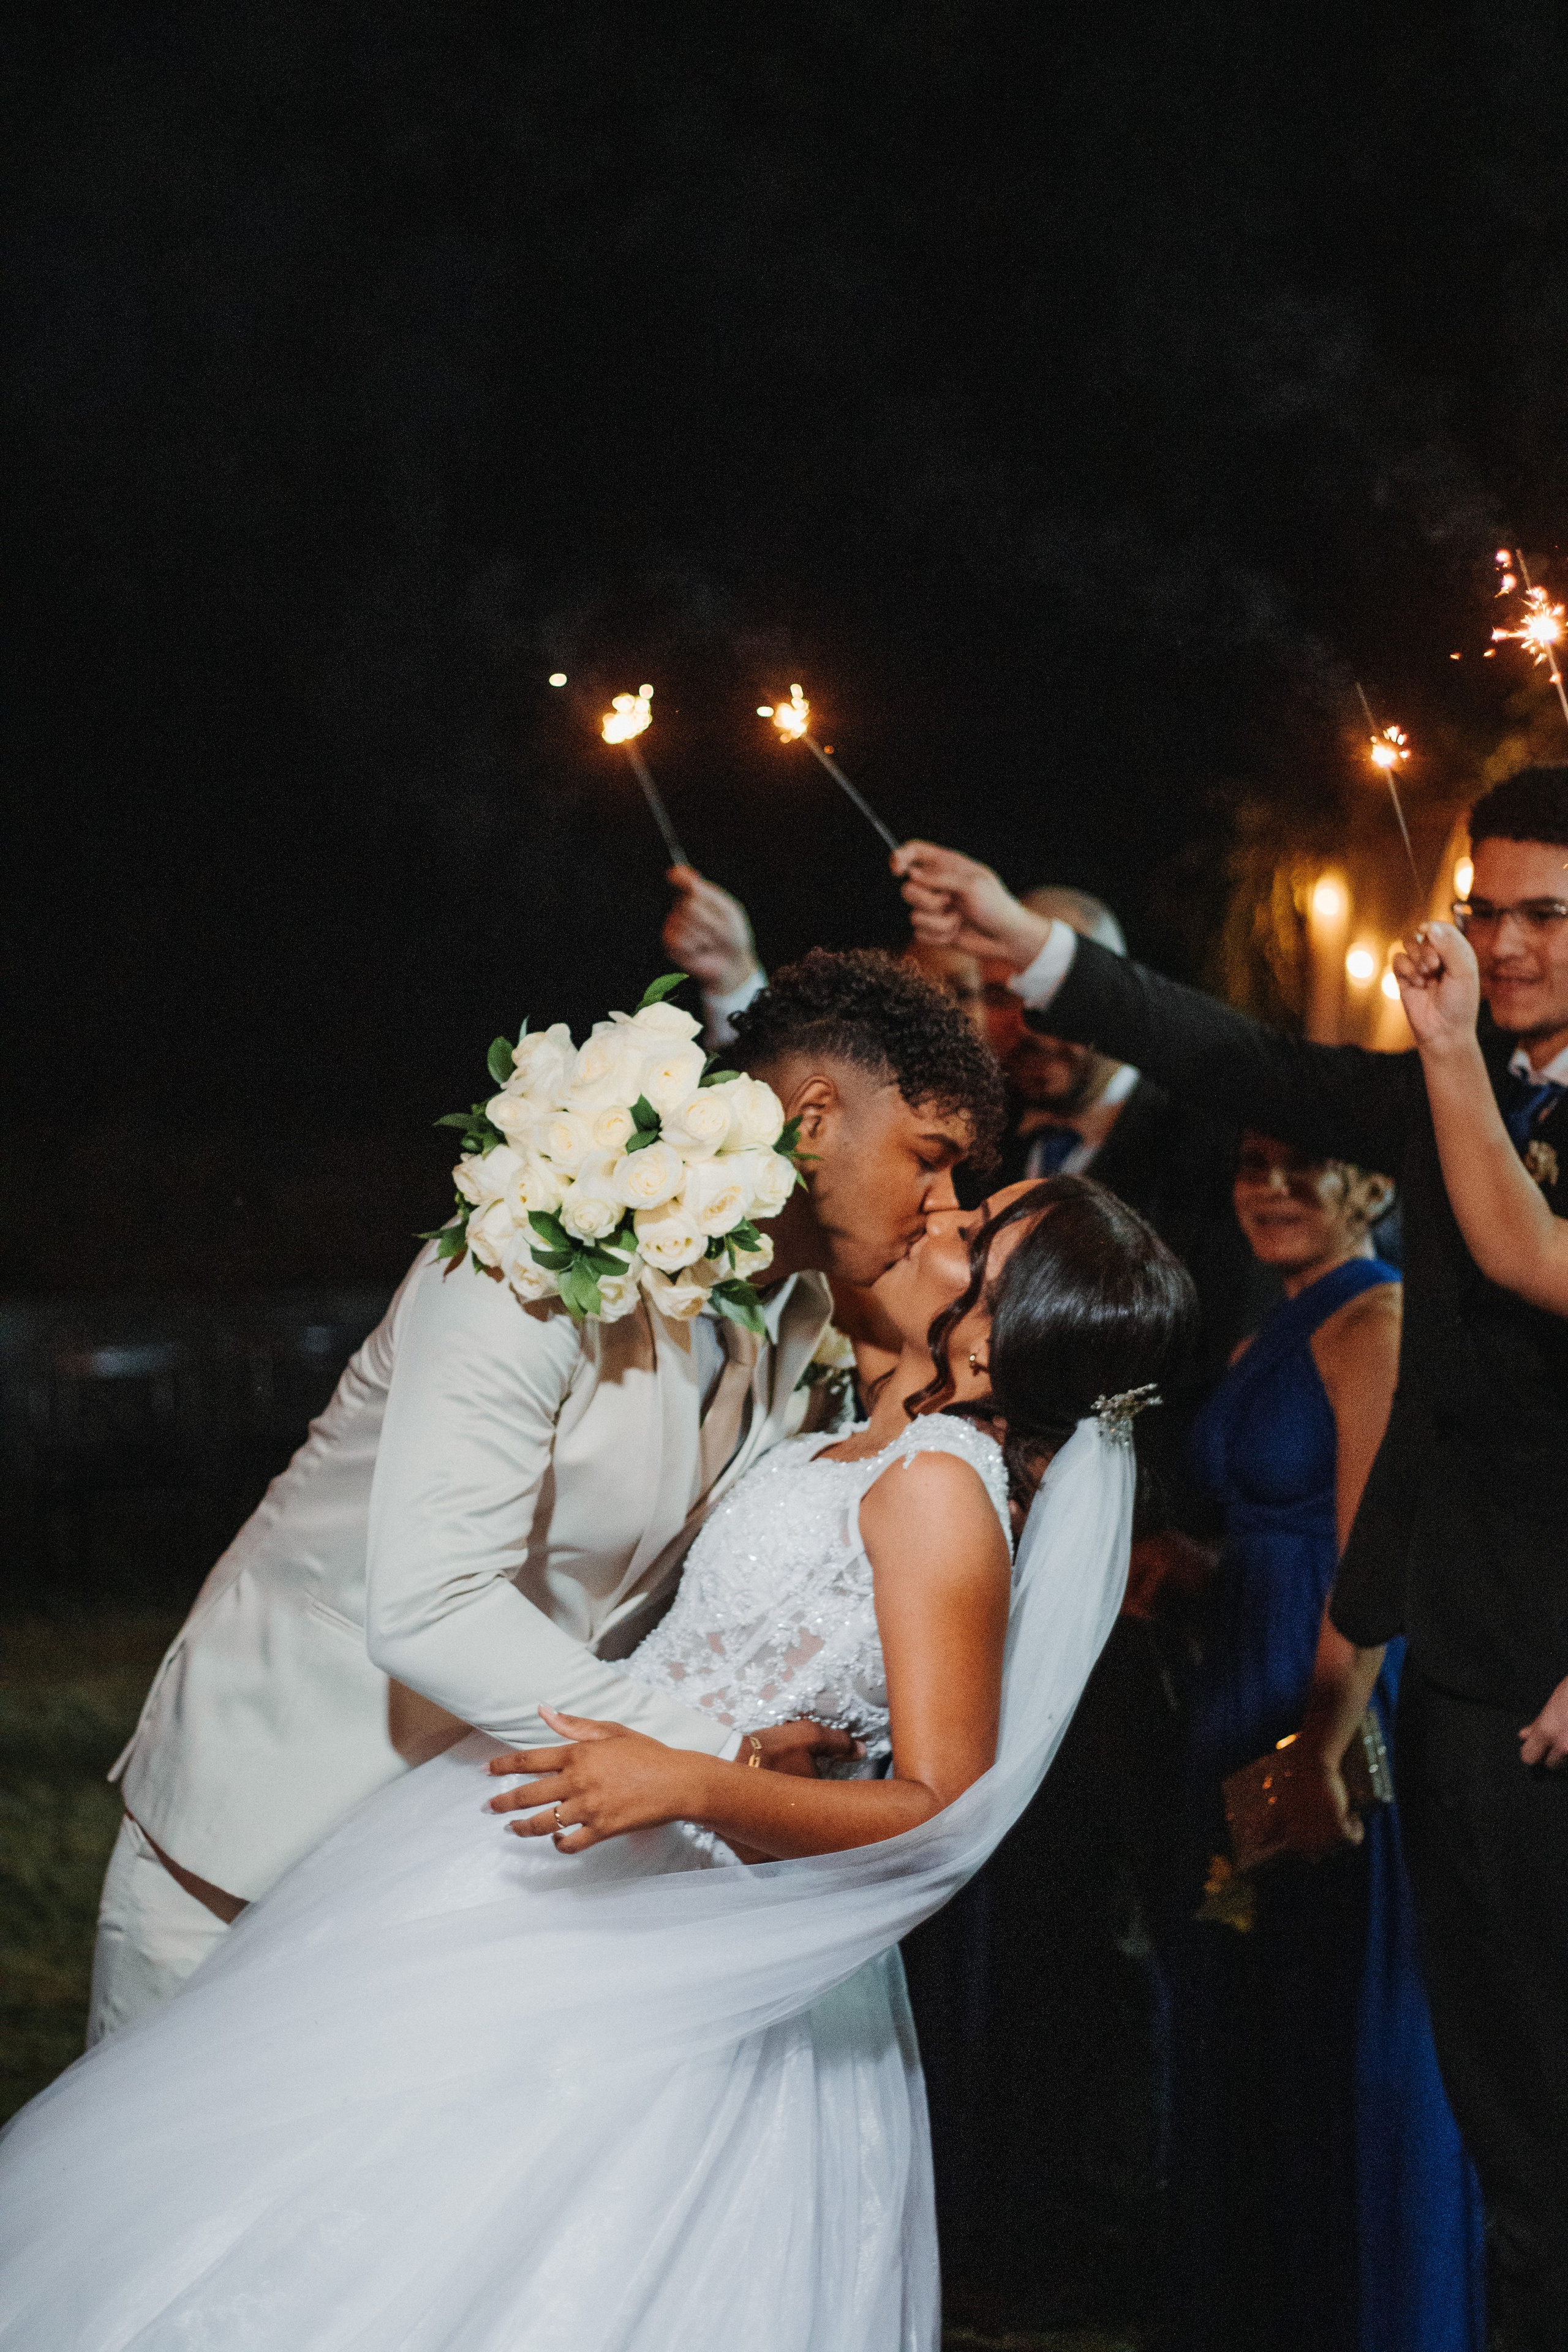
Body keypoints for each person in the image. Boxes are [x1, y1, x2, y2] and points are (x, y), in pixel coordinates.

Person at [0, 1179, 1195, 2351]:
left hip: (695, 1918)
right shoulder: (855, 1437)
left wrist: (695, 1782)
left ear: (992, 1340)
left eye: (975, 1235)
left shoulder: (938, 1486)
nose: (941, 1213)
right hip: (587, 1842)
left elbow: (942, 1807)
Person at [895, 771, 1568, 2347]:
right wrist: (1033, 954)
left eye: (1548, 915)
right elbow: (1236, 1053)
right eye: (1488, 909)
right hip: (1451, 1671)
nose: (1507, 942)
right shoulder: (1453, 1088)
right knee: (1510, 2148)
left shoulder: (1468, 1075)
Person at [89, 948, 1005, 2041]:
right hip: (272, 1809)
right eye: (931, 1157)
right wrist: (717, 1760)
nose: (945, 1202)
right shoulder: (531, 1247)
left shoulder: (797, 1325)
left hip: (473, 1866)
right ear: (814, 1117)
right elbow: (434, 1604)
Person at [1167, 1131, 1482, 2352]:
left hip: (1322, 1702)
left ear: (1374, 1187)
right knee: (1245, 2010)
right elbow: (1265, 1530)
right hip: (1237, 1683)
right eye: (1249, 1163)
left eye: (1305, 1168)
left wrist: (1314, 1749)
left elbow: (1371, 1560)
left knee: (1323, 2020)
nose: (1270, 1188)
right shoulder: (1269, 1324)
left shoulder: (1374, 1321)